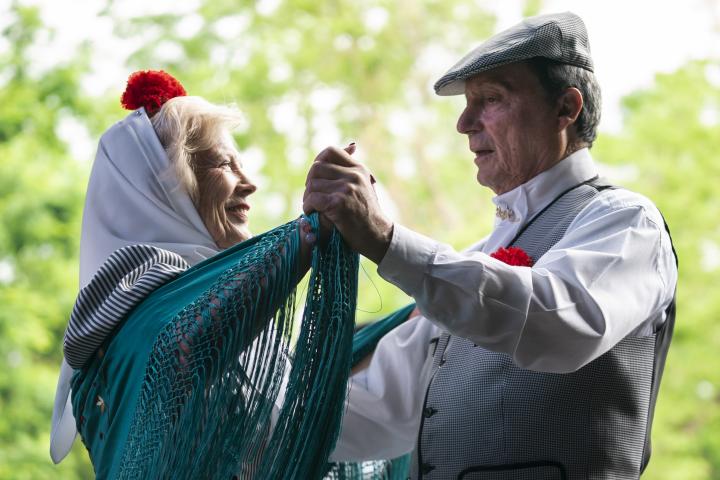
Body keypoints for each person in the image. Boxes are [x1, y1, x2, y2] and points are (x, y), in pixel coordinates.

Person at [304, 12, 678, 479]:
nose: (464, 122)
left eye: (491, 99)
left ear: (566, 108)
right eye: (467, 103)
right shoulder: (469, 260)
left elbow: (560, 321)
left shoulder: (626, 221)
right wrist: (218, 378)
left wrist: (386, 241)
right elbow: (371, 409)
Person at [49, 70, 355, 479]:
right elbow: (182, 349)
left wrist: (414, 314)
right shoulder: (128, 305)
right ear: (168, 187)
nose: (250, 184)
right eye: (225, 164)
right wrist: (308, 235)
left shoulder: (224, 305)